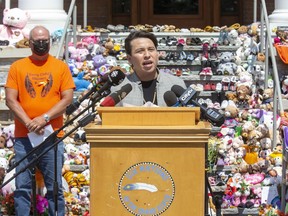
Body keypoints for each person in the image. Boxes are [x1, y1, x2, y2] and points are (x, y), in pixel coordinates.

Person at [5, 25, 75, 216]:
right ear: (30, 43)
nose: (42, 45)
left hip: (52, 136)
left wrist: (44, 118)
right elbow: (10, 99)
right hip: (23, 137)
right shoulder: (18, 67)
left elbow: (67, 98)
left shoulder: (60, 67)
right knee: (23, 187)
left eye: (45, 41)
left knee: (54, 187)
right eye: (38, 42)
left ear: (50, 42)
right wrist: (29, 122)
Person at [111, 30, 186, 106]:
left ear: (157, 54)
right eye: (140, 51)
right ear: (129, 59)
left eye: (151, 49)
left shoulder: (176, 84)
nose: (147, 55)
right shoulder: (119, 90)